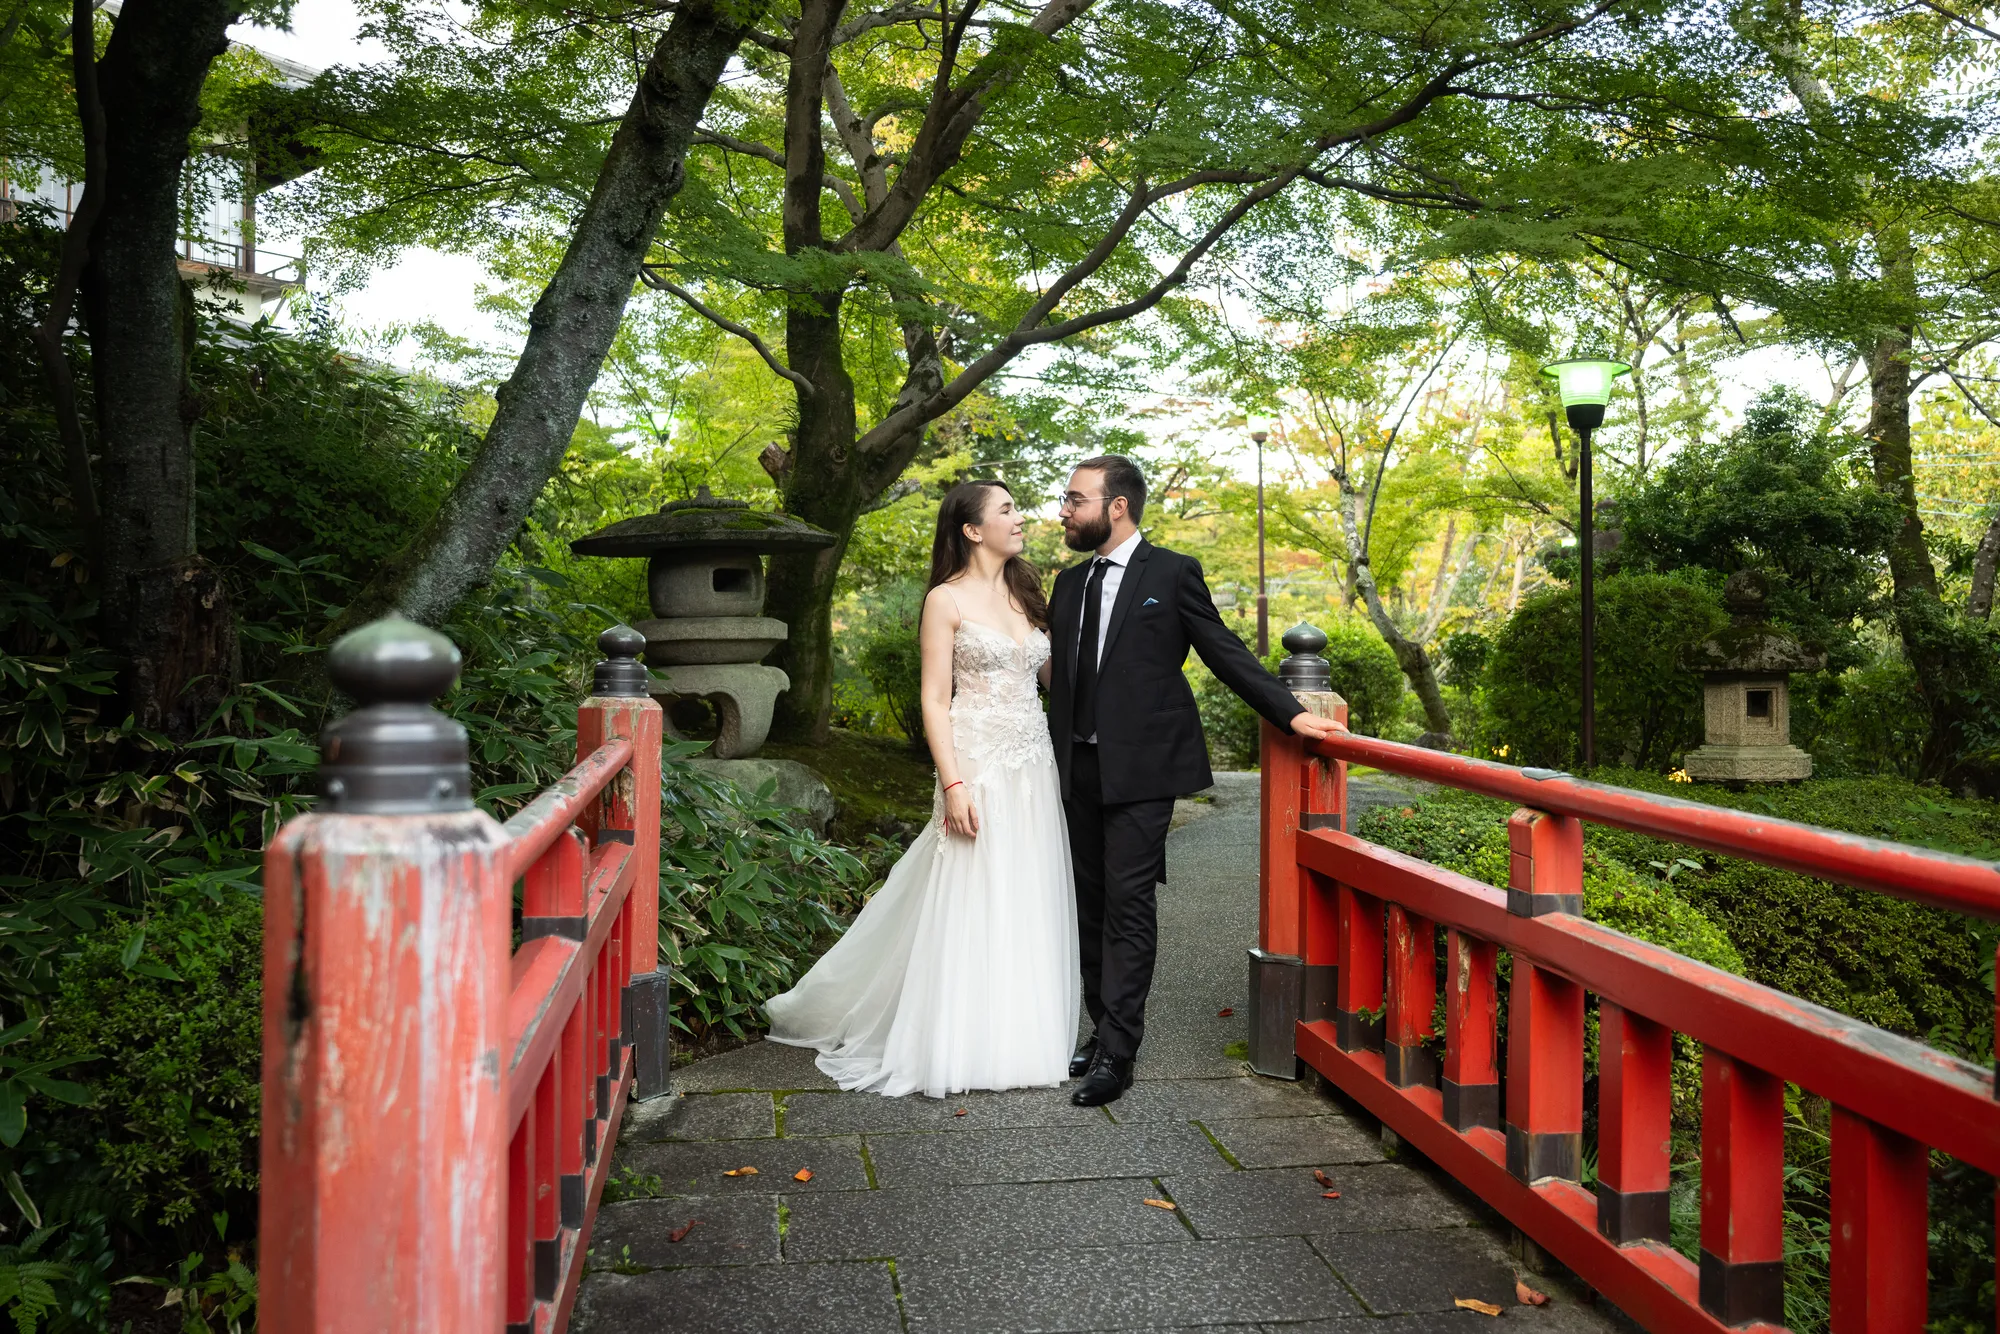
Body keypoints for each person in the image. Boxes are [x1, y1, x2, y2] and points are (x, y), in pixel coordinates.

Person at [764, 481, 1079, 1096]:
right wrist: (953, 782)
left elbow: (1050, 677)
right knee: (971, 891)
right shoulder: (945, 599)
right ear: (971, 529)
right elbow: (935, 699)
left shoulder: (1027, 590)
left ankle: (1020, 1036)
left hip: (1033, 762)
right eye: (1008, 511)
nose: (1021, 520)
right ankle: (958, 1039)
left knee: (1025, 888)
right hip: (977, 760)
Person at [1048, 454, 1345, 1106]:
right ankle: (1100, 1030)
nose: (1063, 511)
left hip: (1146, 769)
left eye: (1075, 499)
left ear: (1116, 505)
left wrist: (1293, 715)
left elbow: (1223, 649)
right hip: (1078, 768)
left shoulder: (1173, 572)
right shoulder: (1067, 585)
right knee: (1089, 906)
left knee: (1127, 906)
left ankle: (1118, 1054)